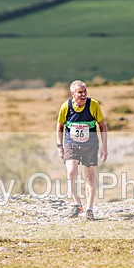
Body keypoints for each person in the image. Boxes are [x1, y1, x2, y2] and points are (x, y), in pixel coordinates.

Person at [56, 80, 108, 220]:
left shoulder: (93, 105)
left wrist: (104, 147)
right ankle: (77, 204)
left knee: (90, 177)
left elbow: (102, 126)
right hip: (71, 143)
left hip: (90, 145)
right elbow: (60, 126)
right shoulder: (65, 107)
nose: (83, 94)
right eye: (80, 92)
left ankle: (89, 209)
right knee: (71, 171)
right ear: (73, 94)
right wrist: (59, 146)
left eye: (85, 91)